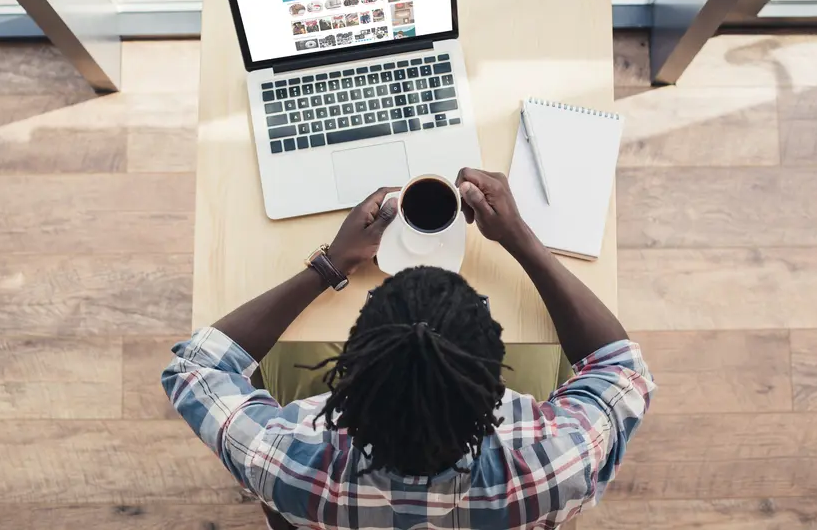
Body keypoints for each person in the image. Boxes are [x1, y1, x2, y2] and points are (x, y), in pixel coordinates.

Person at [163, 168, 655, 529]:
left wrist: (331, 265)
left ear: (348, 374)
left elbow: (195, 366)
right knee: (550, 356)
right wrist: (520, 238)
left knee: (280, 358)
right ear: (493, 385)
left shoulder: (287, 462)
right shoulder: (558, 464)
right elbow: (620, 368)